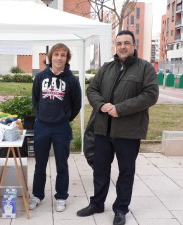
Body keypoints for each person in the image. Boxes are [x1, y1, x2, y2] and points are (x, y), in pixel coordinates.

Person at [77, 30, 159, 225]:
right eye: (119, 43)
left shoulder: (145, 68)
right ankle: (97, 203)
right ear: (116, 45)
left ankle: (121, 208)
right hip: (103, 129)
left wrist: (120, 109)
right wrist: (101, 105)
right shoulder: (106, 68)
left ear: (133, 45)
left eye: (127, 43)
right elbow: (92, 90)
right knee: (100, 169)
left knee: (126, 171)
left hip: (128, 131)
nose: (123, 46)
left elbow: (150, 95)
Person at [29, 43, 82, 212]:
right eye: (56, 54)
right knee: (40, 164)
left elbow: (76, 104)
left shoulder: (72, 80)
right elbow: (35, 99)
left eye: (63, 55)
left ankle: (61, 197)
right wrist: (42, 115)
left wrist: (64, 118)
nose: (59, 58)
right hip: (42, 127)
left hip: (61, 128)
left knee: (62, 164)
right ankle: (37, 195)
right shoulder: (40, 77)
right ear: (50, 57)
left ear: (67, 59)